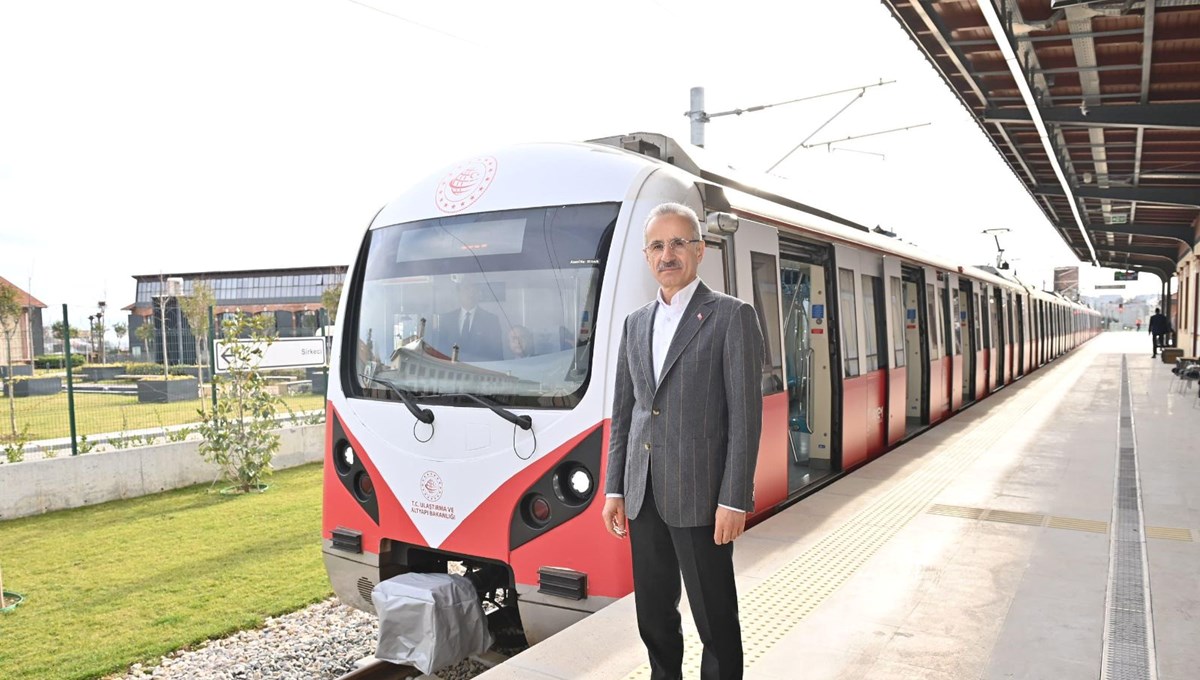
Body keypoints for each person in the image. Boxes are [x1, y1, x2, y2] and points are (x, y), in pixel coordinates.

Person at [602, 202, 764, 680]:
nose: (666, 254)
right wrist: (616, 488)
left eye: (677, 243)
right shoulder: (635, 323)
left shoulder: (731, 317)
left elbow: (744, 417)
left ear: (700, 250)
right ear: (646, 256)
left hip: (703, 495)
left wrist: (734, 499)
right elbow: (627, 412)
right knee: (653, 616)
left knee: (714, 618)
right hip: (643, 492)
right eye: (657, 245)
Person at [432, 282, 502, 362]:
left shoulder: (491, 320)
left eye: (474, 289)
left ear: (479, 293)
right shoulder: (446, 319)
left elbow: (497, 355)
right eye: (466, 288)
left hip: (481, 371)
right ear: (459, 293)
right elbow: (440, 351)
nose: (470, 293)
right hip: (450, 370)